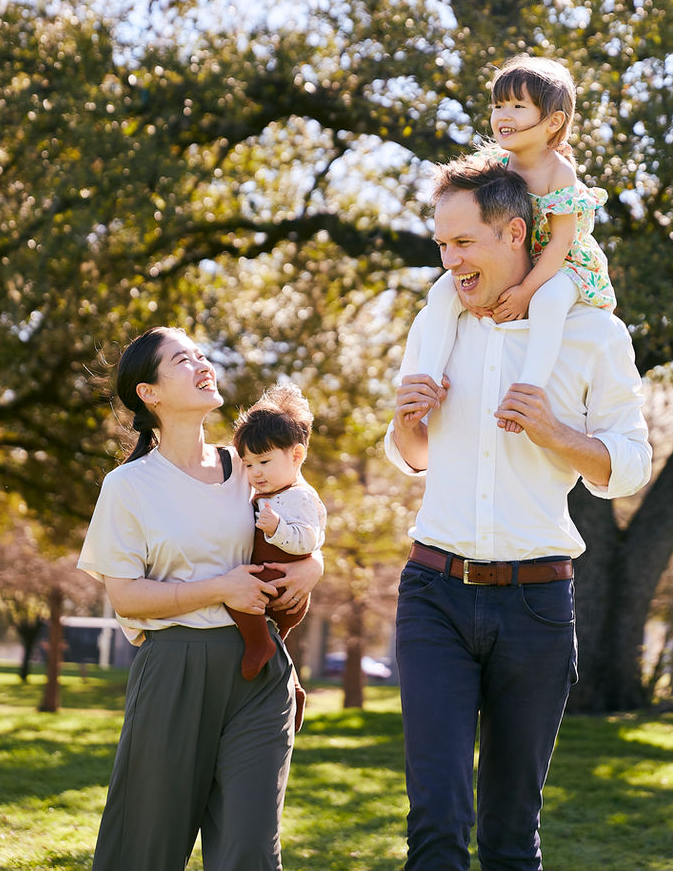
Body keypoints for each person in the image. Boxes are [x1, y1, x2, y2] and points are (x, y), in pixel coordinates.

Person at [384, 158, 651, 871]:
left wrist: (558, 433)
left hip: (537, 606)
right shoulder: (436, 322)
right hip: (433, 595)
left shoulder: (594, 334)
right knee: (436, 821)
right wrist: (410, 421)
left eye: (463, 243)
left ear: (513, 232)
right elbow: (411, 453)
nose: (450, 261)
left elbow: (631, 462)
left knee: (510, 834)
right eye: (441, 245)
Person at [78, 327, 322, 871]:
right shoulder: (128, 486)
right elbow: (126, 596)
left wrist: (314, 564)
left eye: (202, 355)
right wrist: (220, 588)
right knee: (146, 848)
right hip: (174, 669)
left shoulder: (253, 469)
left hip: (258, 675)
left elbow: (303, 527)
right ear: (150, 393)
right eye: (182, 359)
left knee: (249, 850)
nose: (202, 364)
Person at [418, 55, 616, 432]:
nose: (503, 115)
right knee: (443, 291)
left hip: (563, 263)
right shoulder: (498, 161)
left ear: (553, 121)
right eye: (497, 106)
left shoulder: (558, 172)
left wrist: (526, 290)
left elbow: (561, 243)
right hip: (521, 255)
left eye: (518, 106)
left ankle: (528, 389)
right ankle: (427, 381)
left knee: (549, 301)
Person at [228, 383, 327, 731]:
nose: (256, 473)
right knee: (275, 649)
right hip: (277, 586)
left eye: (265, 461)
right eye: (249, 463)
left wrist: (277, 529)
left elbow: (309, 541)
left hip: (280, 585)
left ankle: (258, 645)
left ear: (296, 456)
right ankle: (294, 689)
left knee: (237, 597)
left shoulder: (298, 497)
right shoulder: (269, 491)